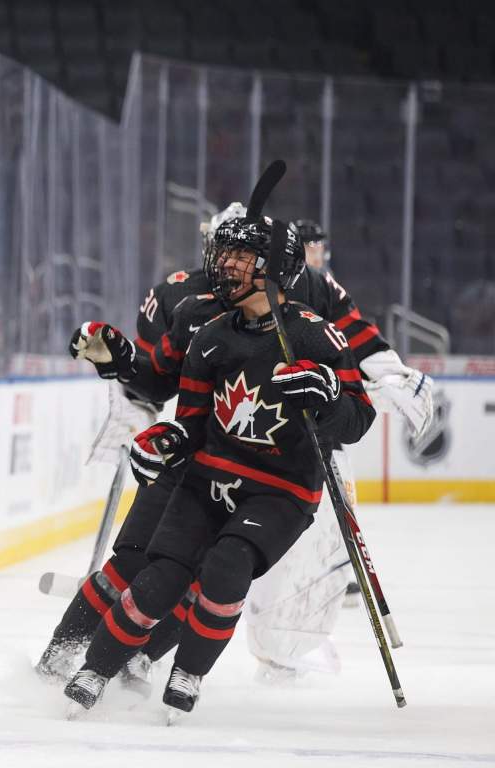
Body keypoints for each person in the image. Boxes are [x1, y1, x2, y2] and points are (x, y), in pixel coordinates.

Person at [64, 214, 375, 718]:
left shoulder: (316, 337)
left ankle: (154, 666)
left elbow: (356, 420)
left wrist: (330, 397)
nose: (223, 263)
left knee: (221, 571)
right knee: (143, 569)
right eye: (222, 252)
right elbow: (170, 398)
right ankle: (71, 661)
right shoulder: (200, 322)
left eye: (239, 255)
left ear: (275, 267)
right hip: (201, 470)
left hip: (274, 487)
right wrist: (128, 376)